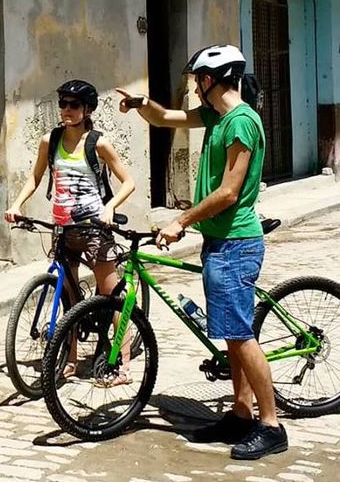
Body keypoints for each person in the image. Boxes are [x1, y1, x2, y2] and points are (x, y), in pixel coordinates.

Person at [117, 44, 288, 460]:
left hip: (236, 242)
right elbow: (165, 117)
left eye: (197, 79)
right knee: (232, 334)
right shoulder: (218, 116)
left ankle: (271, 425)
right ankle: (241, 413)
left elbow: (230, 191)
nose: (194, 86)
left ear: (211, 79)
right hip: (220, 242)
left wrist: (181, 221)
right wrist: (142, 104)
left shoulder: (241, 123)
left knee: (243, 337)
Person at [5, 79, 135, 385]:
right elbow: (35, 178)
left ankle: (124, 365)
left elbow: (128, 181)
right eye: (62, 104)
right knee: (69, 300)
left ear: (87, 109)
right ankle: (71, 360)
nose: (66, 110)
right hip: (63, 229)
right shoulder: (49, 141)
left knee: (112, 295)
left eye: (73, 105)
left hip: (94, 228)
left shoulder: (98, 143)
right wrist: (17, 203)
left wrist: (110, 207)